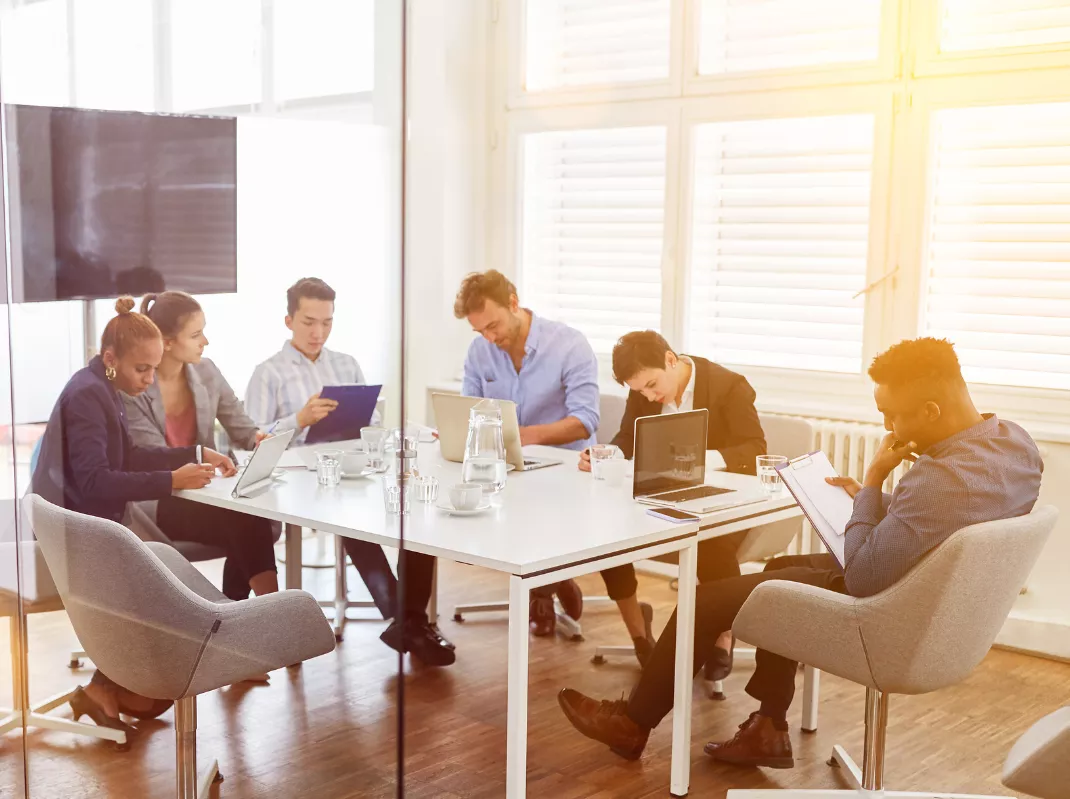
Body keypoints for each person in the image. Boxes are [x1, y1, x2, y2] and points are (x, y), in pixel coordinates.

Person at [557, 337, 1043, 767]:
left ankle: (632, 725)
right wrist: (881, 504)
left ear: (932, 410)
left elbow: (863, 576)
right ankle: (769, 728)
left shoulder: (938, 479)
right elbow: (952, 519)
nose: (889, 426)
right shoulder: (1015, 445)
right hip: (938, 602)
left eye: (891, 414)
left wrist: (873, 483)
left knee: (704, 602)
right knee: (780, 567)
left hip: (889, 609)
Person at [31, 298, 245, 735]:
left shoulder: (103, 387)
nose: (149, 381)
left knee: (156, 576)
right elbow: (94, 482)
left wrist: (195, 454)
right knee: (153, 583)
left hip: (92, 526)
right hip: (72, 533)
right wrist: (171, 481)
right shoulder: (89, 395)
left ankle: (110, 686)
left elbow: (126, 456)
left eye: (154, 369)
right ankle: (108, 686)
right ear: (111, 358)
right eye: (141, 370)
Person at [246, 277, 454, 666]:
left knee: (415, 519)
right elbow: (252, 439)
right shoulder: (268, 373)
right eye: (309, 322)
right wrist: (300, 418)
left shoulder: (346, 363)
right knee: (351, 519)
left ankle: (406, 620)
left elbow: (372, 423)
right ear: (288, 320)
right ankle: (408, 619)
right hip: (299, 480)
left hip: (356, 468)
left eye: (327, 322)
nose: (318, 332)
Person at [581, 331, 766, 668]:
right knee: (609, 536)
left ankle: (723, 637)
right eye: (640, 391)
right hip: (662, 496)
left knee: (709, 540)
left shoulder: (729, 386)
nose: (650, 397)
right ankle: (639, 635)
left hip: (722, 502)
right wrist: (606, 454)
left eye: (652, 385)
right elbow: (627, 437)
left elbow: (755, 449)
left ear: (670, 359)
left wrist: (700, 459)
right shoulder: (644, 392)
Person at [454, 269, 600, 636]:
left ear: (514, 304)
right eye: (480, 331)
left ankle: (545, 584)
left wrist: (524, 436)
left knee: (538, 506)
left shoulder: (569, 345)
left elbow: (585, 420)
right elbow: (469, 409)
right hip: (504, 465)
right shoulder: (480, 351)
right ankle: (550, 581)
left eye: (494, 325)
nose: (490, 337)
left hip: (562, 467)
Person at [125, 290, 279, 601]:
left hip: (208, 495)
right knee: (245, 518)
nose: (205, 341)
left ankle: (240, 615)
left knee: (246, 517)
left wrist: (257, 438)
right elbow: (156, 459)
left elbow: (241, 425)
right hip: (162, 499)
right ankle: (267, 609)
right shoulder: (136, 386)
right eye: (196, 334)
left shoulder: (206, 371)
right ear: (166, 342)